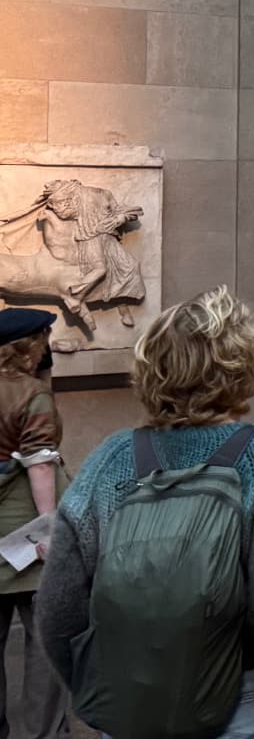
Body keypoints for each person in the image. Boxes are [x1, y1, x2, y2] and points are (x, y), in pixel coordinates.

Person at [37, 286, 254, 738]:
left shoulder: (109, 458)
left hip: (131, 703)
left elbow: (58, 608)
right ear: (246, 368)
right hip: (247, 701)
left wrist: (102, 689)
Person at [0, 309, 67, 739]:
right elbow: (40, 466)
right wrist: (50, 529)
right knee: (46, 643)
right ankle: (42, 734)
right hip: (25, 535)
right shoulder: (31, 395)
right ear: (31, 345)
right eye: (44, 338)